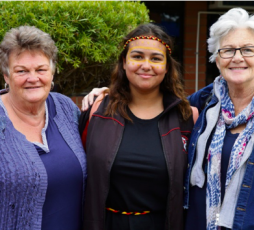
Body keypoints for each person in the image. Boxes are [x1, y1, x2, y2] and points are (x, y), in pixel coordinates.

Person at [79, 23, 196, 230]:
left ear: (167, 67)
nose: (146, 65)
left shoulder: (186, 117)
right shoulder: (98, 110)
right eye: (138, 56)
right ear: (124, 62)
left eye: (156, 58)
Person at [183, 8, 254, 230]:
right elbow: (153, 106)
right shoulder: (203, 102)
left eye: (248, 49)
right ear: (217, 59)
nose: (237, 58)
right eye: (228, 50)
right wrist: (107, 94)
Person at [0, 25, 87, 230]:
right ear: (6, 75)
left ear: (52, 72)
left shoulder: (65, 109)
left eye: (41, 69)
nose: (33, 78)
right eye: (22, 71)